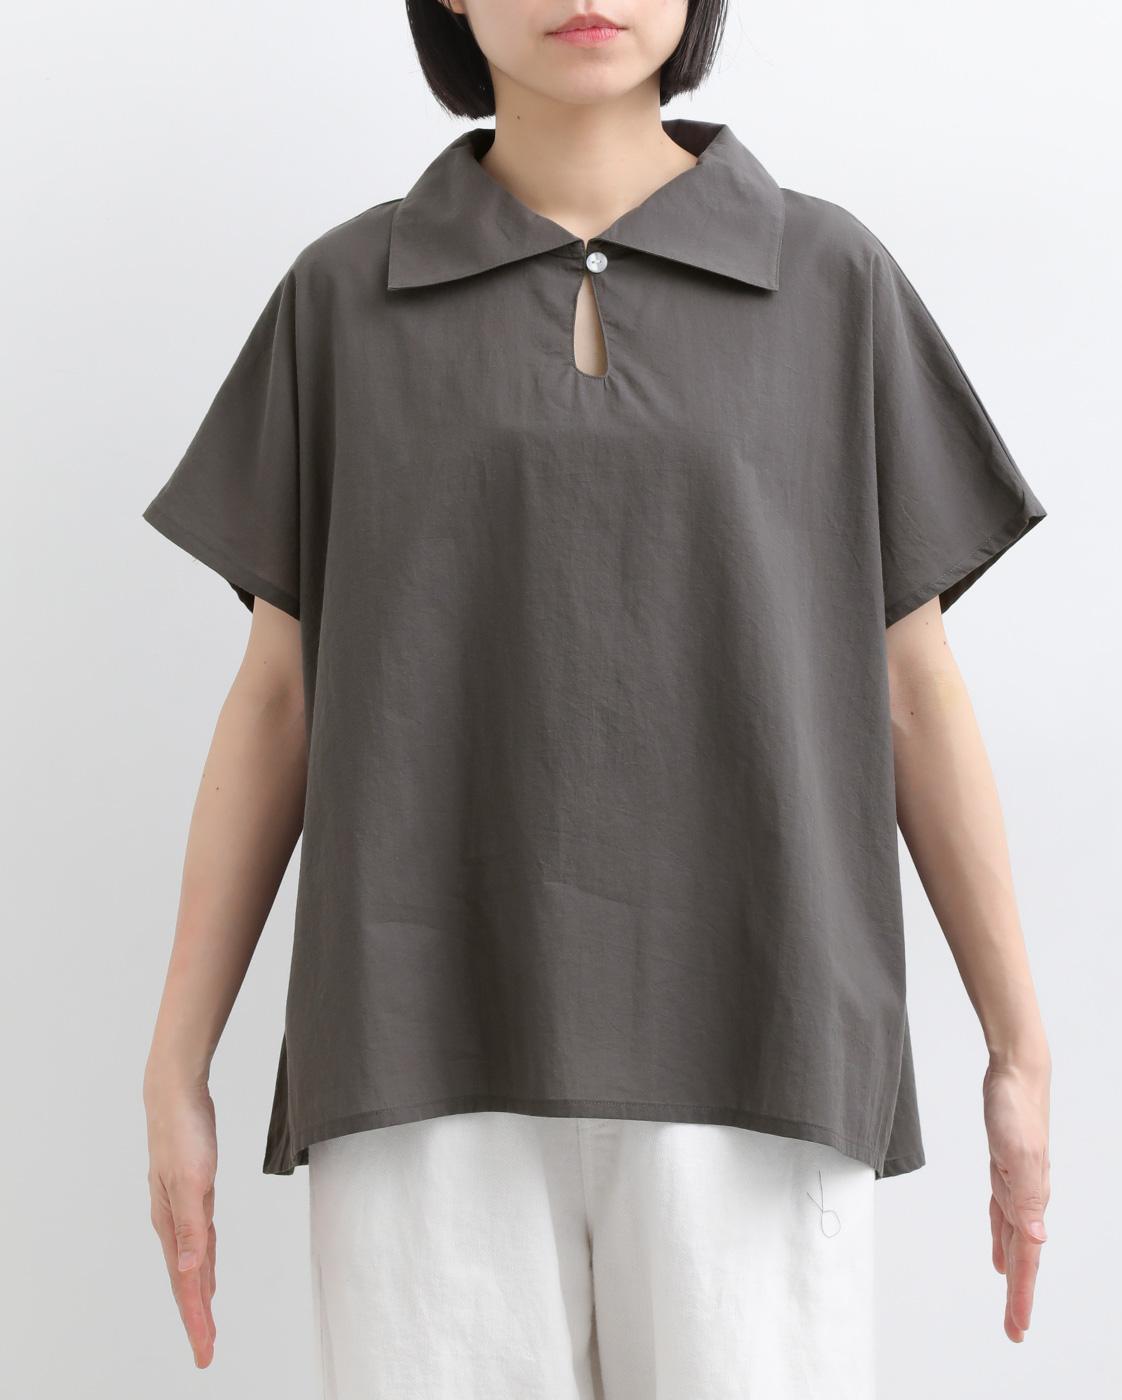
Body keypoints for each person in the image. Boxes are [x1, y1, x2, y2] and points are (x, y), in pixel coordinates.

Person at [140, 2, 1054, 1395]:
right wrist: (176, 1065)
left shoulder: (829, 280)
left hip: (762, 1037)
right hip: (416, 1042)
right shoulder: (343, 297)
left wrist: (1018, 1049)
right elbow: (279, 700)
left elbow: (913, 691)